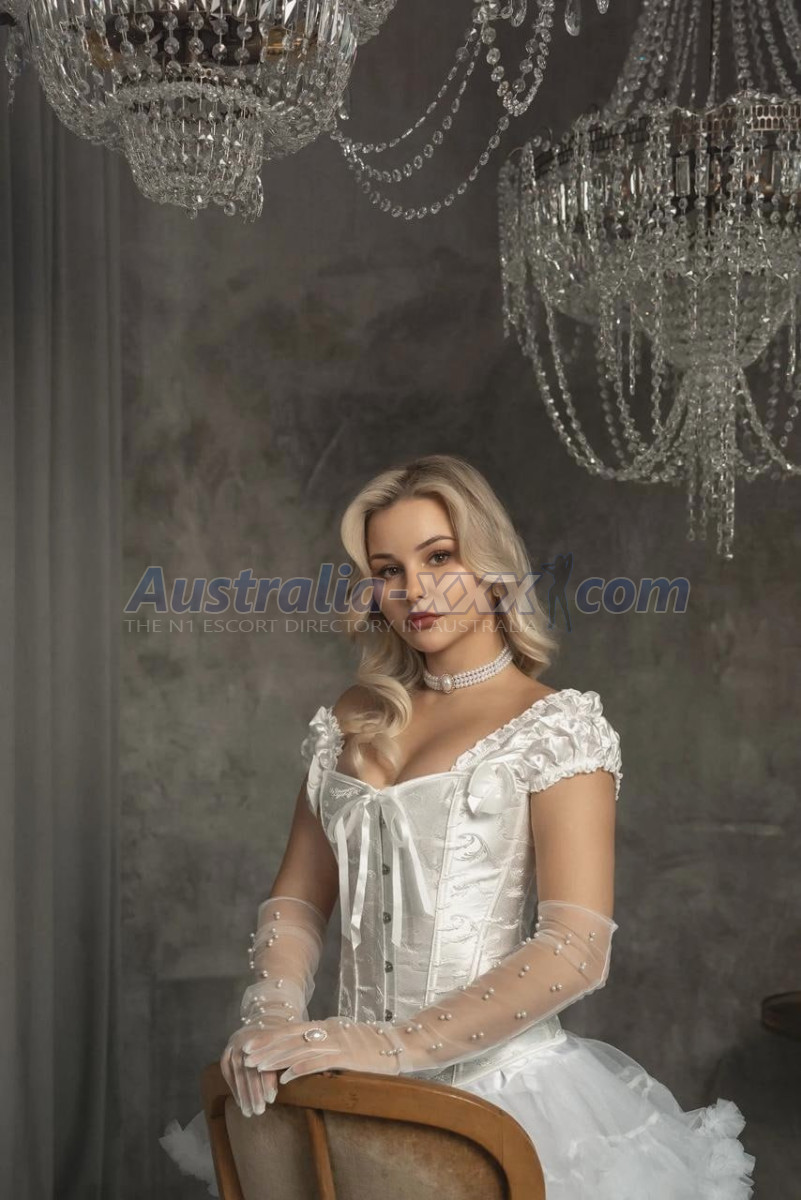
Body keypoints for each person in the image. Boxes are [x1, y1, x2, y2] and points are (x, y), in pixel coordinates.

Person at [160, 453, 756, 1198]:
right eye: (388, 569)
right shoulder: (352, 718)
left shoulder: (556, 726)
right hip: (342, 1087)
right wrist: (272, 1019)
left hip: (503, 1098)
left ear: (492, 565)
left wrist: (392, 1045)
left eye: (439, 556)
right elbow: (298, 901)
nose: (414, 590)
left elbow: (576, 948)